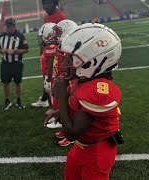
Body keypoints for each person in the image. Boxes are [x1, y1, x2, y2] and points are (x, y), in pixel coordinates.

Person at [45, 23, 123, 179]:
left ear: (93, 61)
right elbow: (77, 107)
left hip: (97, 150)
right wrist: (60, 111)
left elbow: (72, 133)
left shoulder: (98, 92)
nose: (66, 63)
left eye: (71, 59)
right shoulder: (83, 79)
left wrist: (61, 98)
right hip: (82, 146)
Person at [32, 0, 66, 108]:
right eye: (44, 4)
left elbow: (62, 36)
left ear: (54, 3)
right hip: (48, 50)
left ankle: (54, 101)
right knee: (46, 75)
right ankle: (45, 97)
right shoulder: (46, 17)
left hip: (56, 52)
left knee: (52, 76)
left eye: (49, 3)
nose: (46, 6)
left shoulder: (60, 16)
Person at [0, 18, 29, 110]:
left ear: (14, 26)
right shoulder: (2, 36)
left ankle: (19, 101)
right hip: (5, 63)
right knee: (5, 83)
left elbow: (26, 49)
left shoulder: (20, 36)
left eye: (11, 26)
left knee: (17, 82)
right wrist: (4, 50)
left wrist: (15, 51)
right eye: (8, 26)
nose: (9, 28)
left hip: (16, 63)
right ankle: (7, 101)